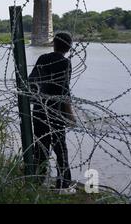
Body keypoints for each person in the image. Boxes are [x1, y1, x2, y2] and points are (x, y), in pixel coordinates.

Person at [28, 32, 76, 192]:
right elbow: (64, 91)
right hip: (55, 111)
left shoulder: (43, 58)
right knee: (60, 149)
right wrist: (70, 115)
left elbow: (32, 82)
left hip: (39, 108)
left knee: (41, 146)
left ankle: (37, 181)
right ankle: (63, 185)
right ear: (69, 47)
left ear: (53, 44)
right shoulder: (65, 63)